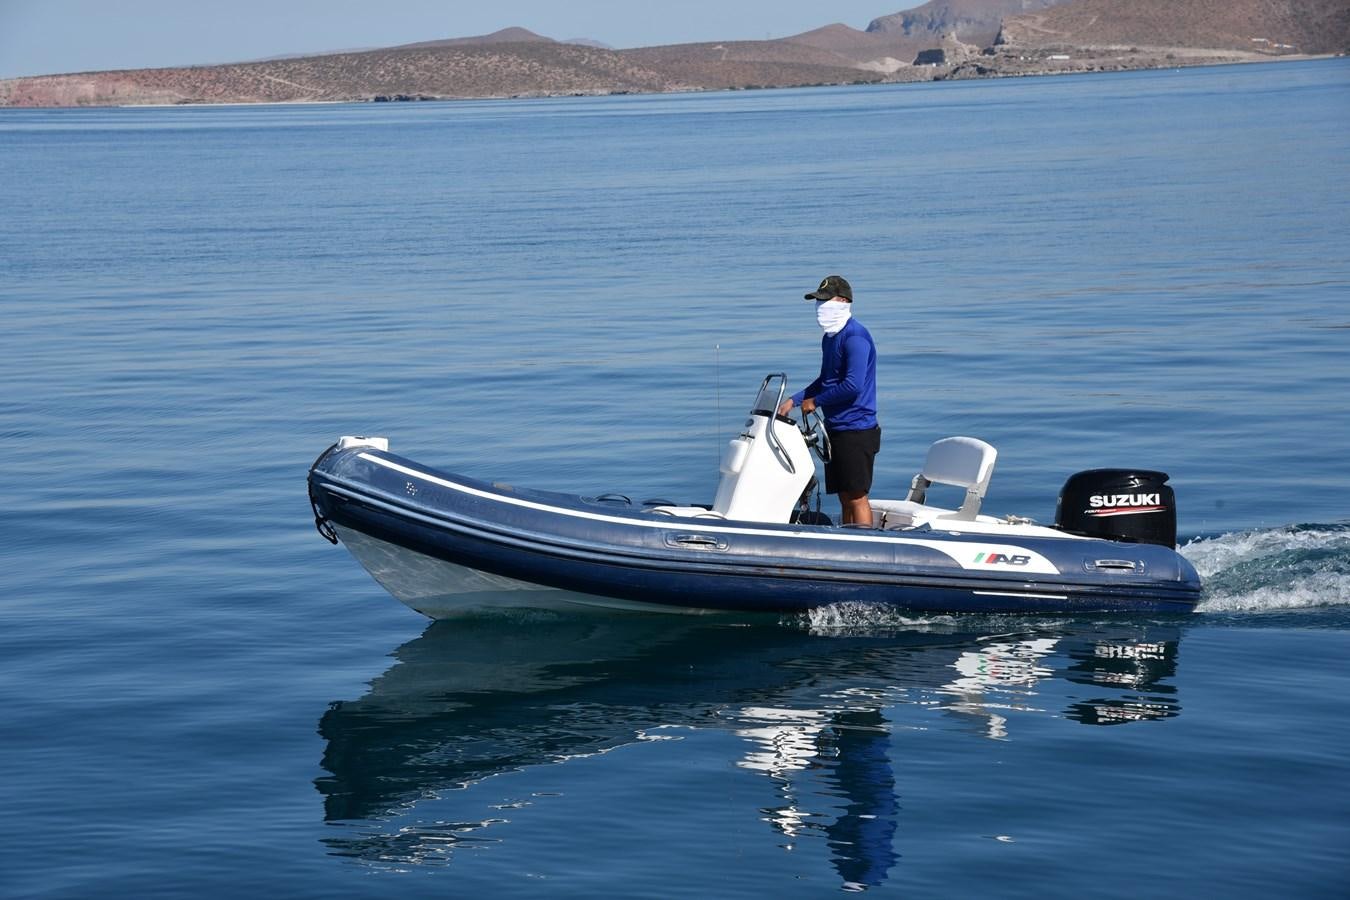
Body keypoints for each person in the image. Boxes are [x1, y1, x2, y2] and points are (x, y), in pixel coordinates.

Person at [777, 275, 880, 526]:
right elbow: (827, 379)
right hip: (835, 427)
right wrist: (795, 400)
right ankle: (847, 539)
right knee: (844, 496)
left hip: (856, 428)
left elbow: (852, 386)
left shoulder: (855, 338)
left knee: (857, 496)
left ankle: (864, 546)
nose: (820, 307)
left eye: (825, 301)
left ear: (843, 302)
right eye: (818, 302)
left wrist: (817, 401)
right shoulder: (830, 338)